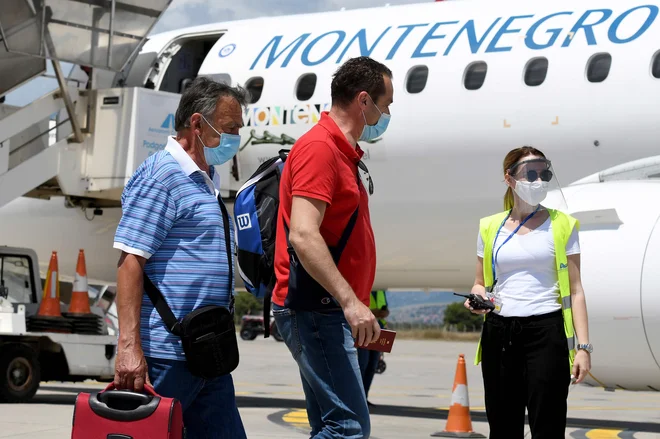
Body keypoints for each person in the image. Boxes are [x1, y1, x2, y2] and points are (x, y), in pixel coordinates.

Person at [112, 76, 248, 438]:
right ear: (197, 124)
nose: (235, 137)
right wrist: (129, 347)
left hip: (208, 351)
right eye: (229, 128)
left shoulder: (206, 177)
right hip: (166, 354)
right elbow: (130, 263)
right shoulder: (162, 176)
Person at [271, 56, 394, 439]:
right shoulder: (320, 149)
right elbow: (304, 235)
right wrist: (351, 301)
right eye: (385, 104)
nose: (386, 113)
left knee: (330, 425)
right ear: (363, 101)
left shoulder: (342, 151)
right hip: (317, 309)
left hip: (325, 311)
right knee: (348, 428)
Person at [467, 146, 592, 439]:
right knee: (503, 426)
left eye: (543, 173)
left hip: (546, 333)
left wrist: (583, 348)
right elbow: (479, 282)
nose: (539, 180)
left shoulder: (563, 224)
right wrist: (477, 298)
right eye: (530, 174)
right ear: (510, 179)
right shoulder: (489, 227)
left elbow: (576, 291)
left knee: (547, 425)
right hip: (500, 331)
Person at [357, 290, 389, 403]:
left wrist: (384, 312)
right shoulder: (366, 285)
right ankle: (358, 398)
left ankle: (364, 398)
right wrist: (375, 313)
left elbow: (385, 309)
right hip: (365, 330)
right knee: (362, 364)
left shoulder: (381, 290)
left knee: (372, 366)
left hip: (380, 330)